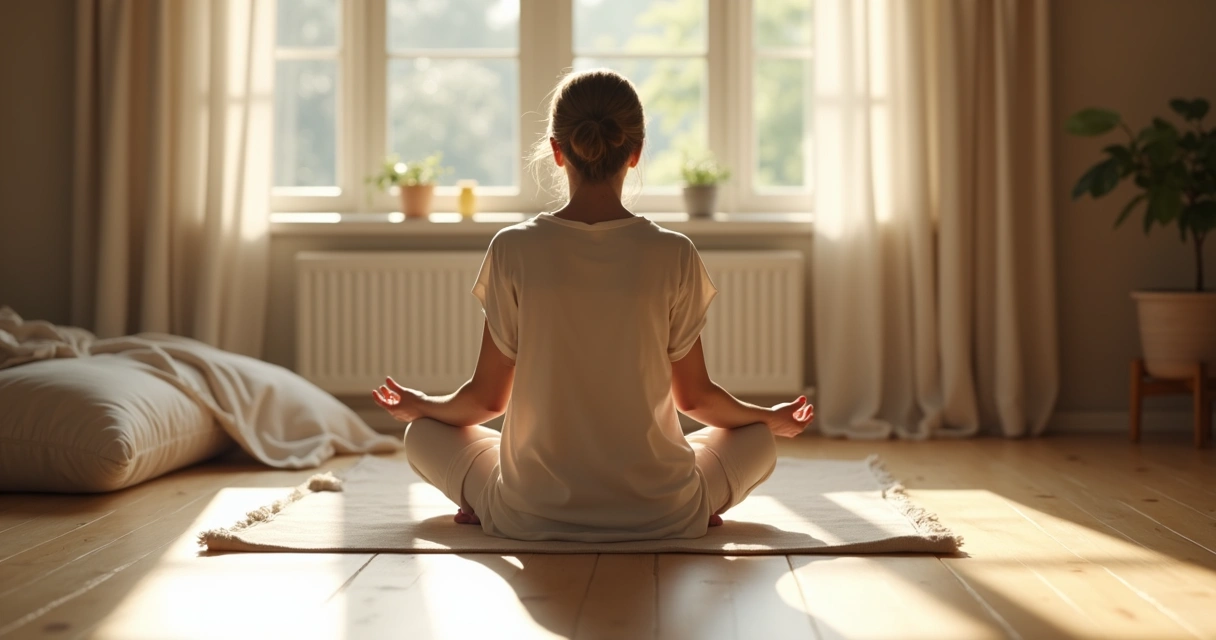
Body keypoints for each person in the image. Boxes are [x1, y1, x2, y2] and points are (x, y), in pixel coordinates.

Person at [372, 69, 814, 542]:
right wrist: (770, 417)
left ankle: (483, 504)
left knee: (421, 433)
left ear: (557, 151)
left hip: (529, 514)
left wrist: (426, 405)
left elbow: (485, 401)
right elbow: (696, 400)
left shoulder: (513, 248)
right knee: (757, 440)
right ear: (637, 151)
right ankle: (699, 503)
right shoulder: (673, 252)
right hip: (663, 514)